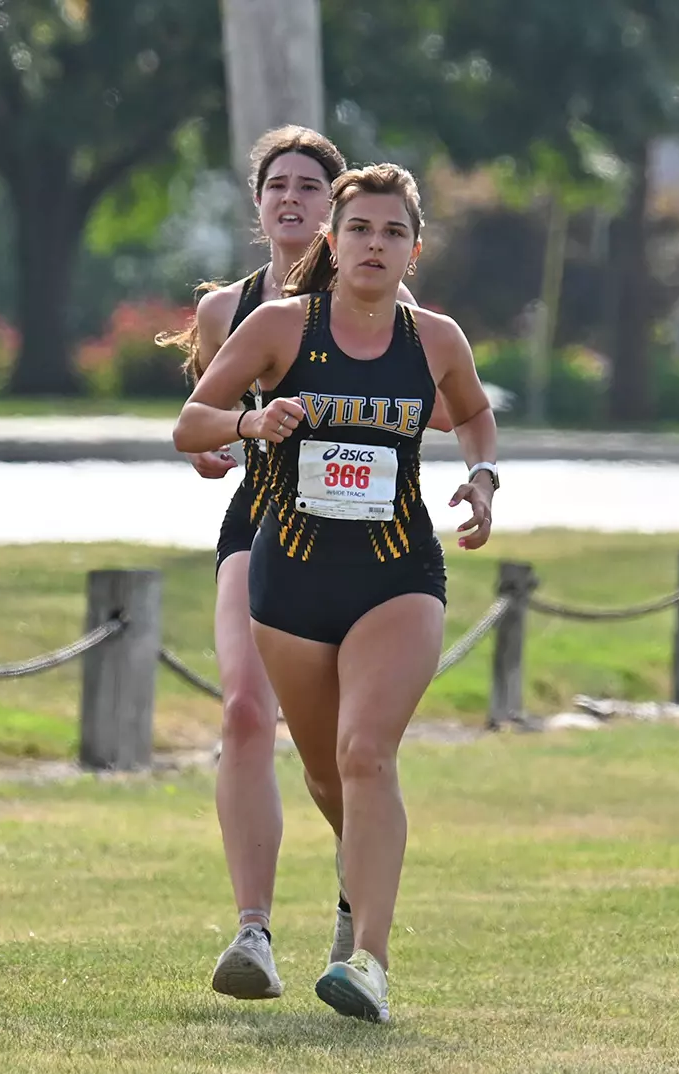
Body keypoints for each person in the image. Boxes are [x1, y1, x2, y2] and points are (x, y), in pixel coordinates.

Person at [174, 162, 500, 1023]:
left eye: (394, 233)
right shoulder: (281, 326)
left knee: (367, 753)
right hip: (290, 574)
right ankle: (350, 897)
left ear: (414, 251)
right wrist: (250, 421)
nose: (374, 245)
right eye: (359, 230)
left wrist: (483, 477)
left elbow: (471, 414)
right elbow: (190, 423)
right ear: (331, 240)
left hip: (397, 574)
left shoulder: (434, 340)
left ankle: (370, 962)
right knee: (325, 771)